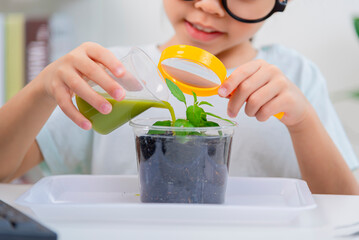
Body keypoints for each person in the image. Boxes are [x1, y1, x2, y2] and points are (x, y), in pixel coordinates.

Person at [0, 0, 358, 194]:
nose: (209, 6)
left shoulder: (295, 77)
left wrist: (304, 122)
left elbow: (345, 204)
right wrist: (41, 89)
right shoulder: (110, 74)